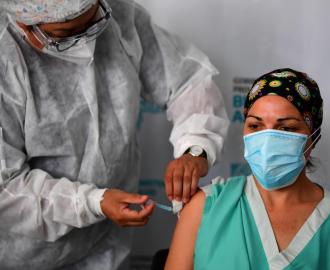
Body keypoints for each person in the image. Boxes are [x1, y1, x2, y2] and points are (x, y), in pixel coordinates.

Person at [0, 0, 229, 269]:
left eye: (93, 22)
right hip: (27, 254)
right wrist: (92, 202)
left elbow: (188, 81)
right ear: (25, 24)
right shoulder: (6, 60)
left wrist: (196, 148)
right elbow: (6, 190)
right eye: (65, 35)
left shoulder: (119, 15)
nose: (86, 43)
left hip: (106, 246)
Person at [165, 68, 330, 270]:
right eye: (255, 126)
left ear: (313, 137)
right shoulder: (207, 207)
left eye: (286, 128)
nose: (267, 139)